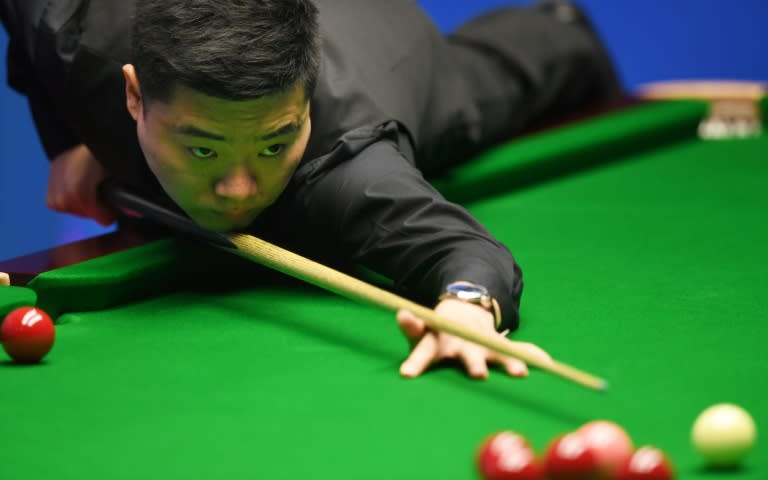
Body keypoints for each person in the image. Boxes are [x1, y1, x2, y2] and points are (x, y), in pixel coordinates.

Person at [0, 0, 621, 379]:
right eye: (203, 148)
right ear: (134, 94)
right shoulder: (70, 26)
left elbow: (465, 254)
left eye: (273, 145)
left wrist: (465, 306)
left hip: (385, 43)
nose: (238, 188)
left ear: (304, 108)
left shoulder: (347, 164)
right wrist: (69, 140)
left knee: (488, 84)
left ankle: (562, 26)